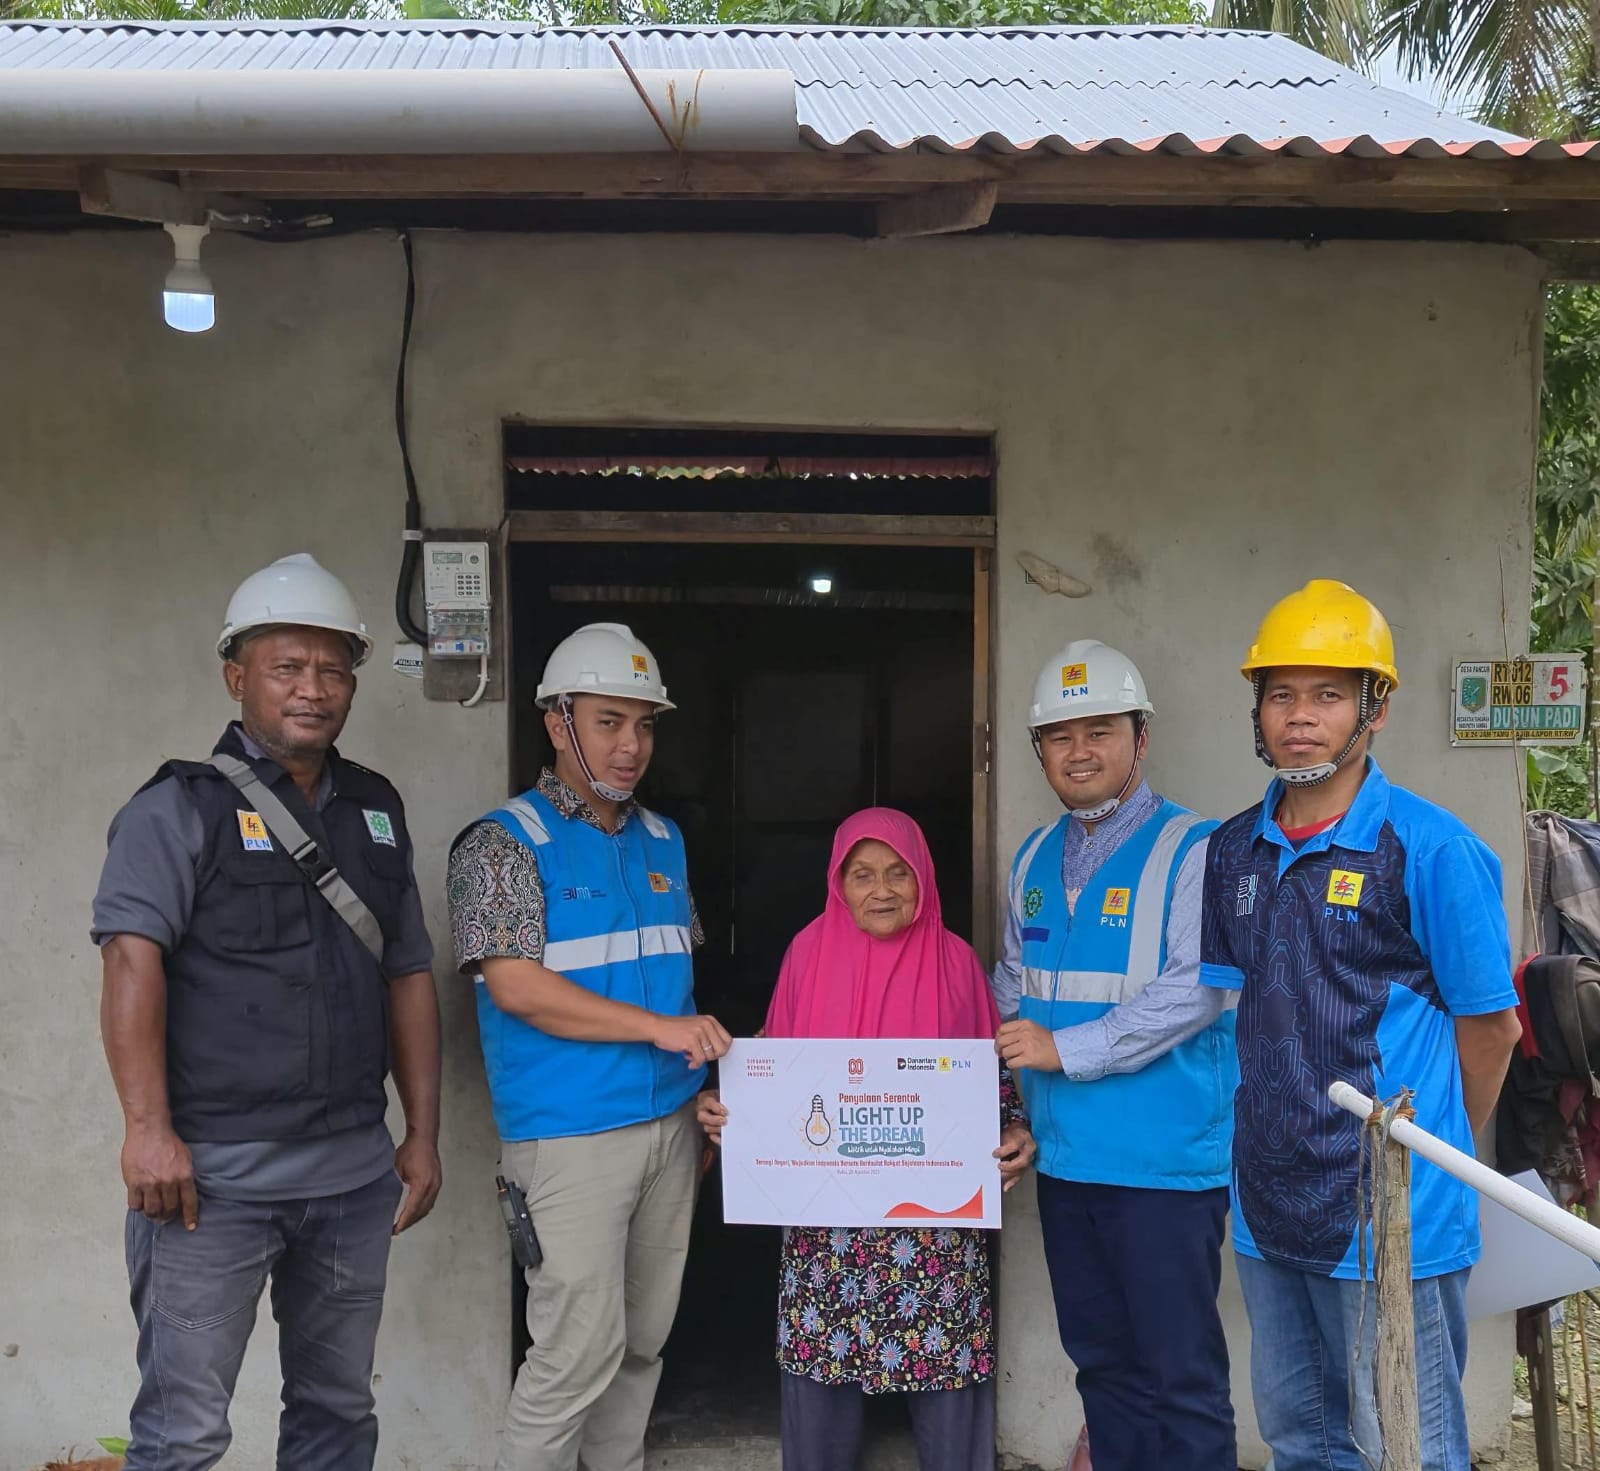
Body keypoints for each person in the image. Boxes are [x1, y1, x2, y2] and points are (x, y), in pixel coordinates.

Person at [92, 552, 443, 1471]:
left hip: (352, 1177)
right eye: (287, 667)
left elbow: (408, 970)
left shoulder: (375, 807)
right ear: (235, 676)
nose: (312, 689)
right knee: (183, 1433)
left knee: (338, 1416)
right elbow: (130, 959)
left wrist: (422, 1132)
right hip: (211, 1186)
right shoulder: (179, 808)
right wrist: (146, 1131)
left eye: (333, 669)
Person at [1201, 580, 1524, 1471]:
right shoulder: (1232, 850)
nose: (1300, 716)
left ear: (1375, 709)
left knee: (1407, 1449)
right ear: (1258, 711)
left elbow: (1492, 1030)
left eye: (1329, 694)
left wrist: (1427, 1152)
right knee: (1300, 1440)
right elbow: (1245, 1012)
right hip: (1268, 1203)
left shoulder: (1431, 848)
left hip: (1389, 1216)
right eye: (1280, 693)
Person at [447, 622, 731, 1471]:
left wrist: (698, 1097)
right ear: (556, 721)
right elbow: (516, 986)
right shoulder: (502, 842)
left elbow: (676, 981)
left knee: (640, 1345)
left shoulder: (663, 839)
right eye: (608, 721)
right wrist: (660, 1031)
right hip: (569, 1138)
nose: (630, 745)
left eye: (643, 724)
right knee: (573, 1353)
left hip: (668, 1127)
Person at [698, 809, 1035, 1471]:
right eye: (862, 874)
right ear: (839, 883)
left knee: (946, 1370)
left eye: (898, 873)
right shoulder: (807, 954)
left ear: (923, 878)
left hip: (932, 1227)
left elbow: (990, 1076)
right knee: (820, 1376)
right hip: (827, 1226)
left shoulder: (955, 961)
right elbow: (774, 1064)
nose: (882, 889)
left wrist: (1016, 1128)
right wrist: (728, 1107)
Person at [990, 639, 1238, 1471]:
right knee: (1103, 1369)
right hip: (1067, 1162)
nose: (1080, 751)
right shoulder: (1033, 856)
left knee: (1182, 1378)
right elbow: (1012, 986)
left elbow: (1197, 990)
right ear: (1039, 750)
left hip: (1162, 1169)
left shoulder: (1196, 848)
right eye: (1060, 736)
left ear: (1141, 736)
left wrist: (1065, 1049)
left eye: (1100, 730)